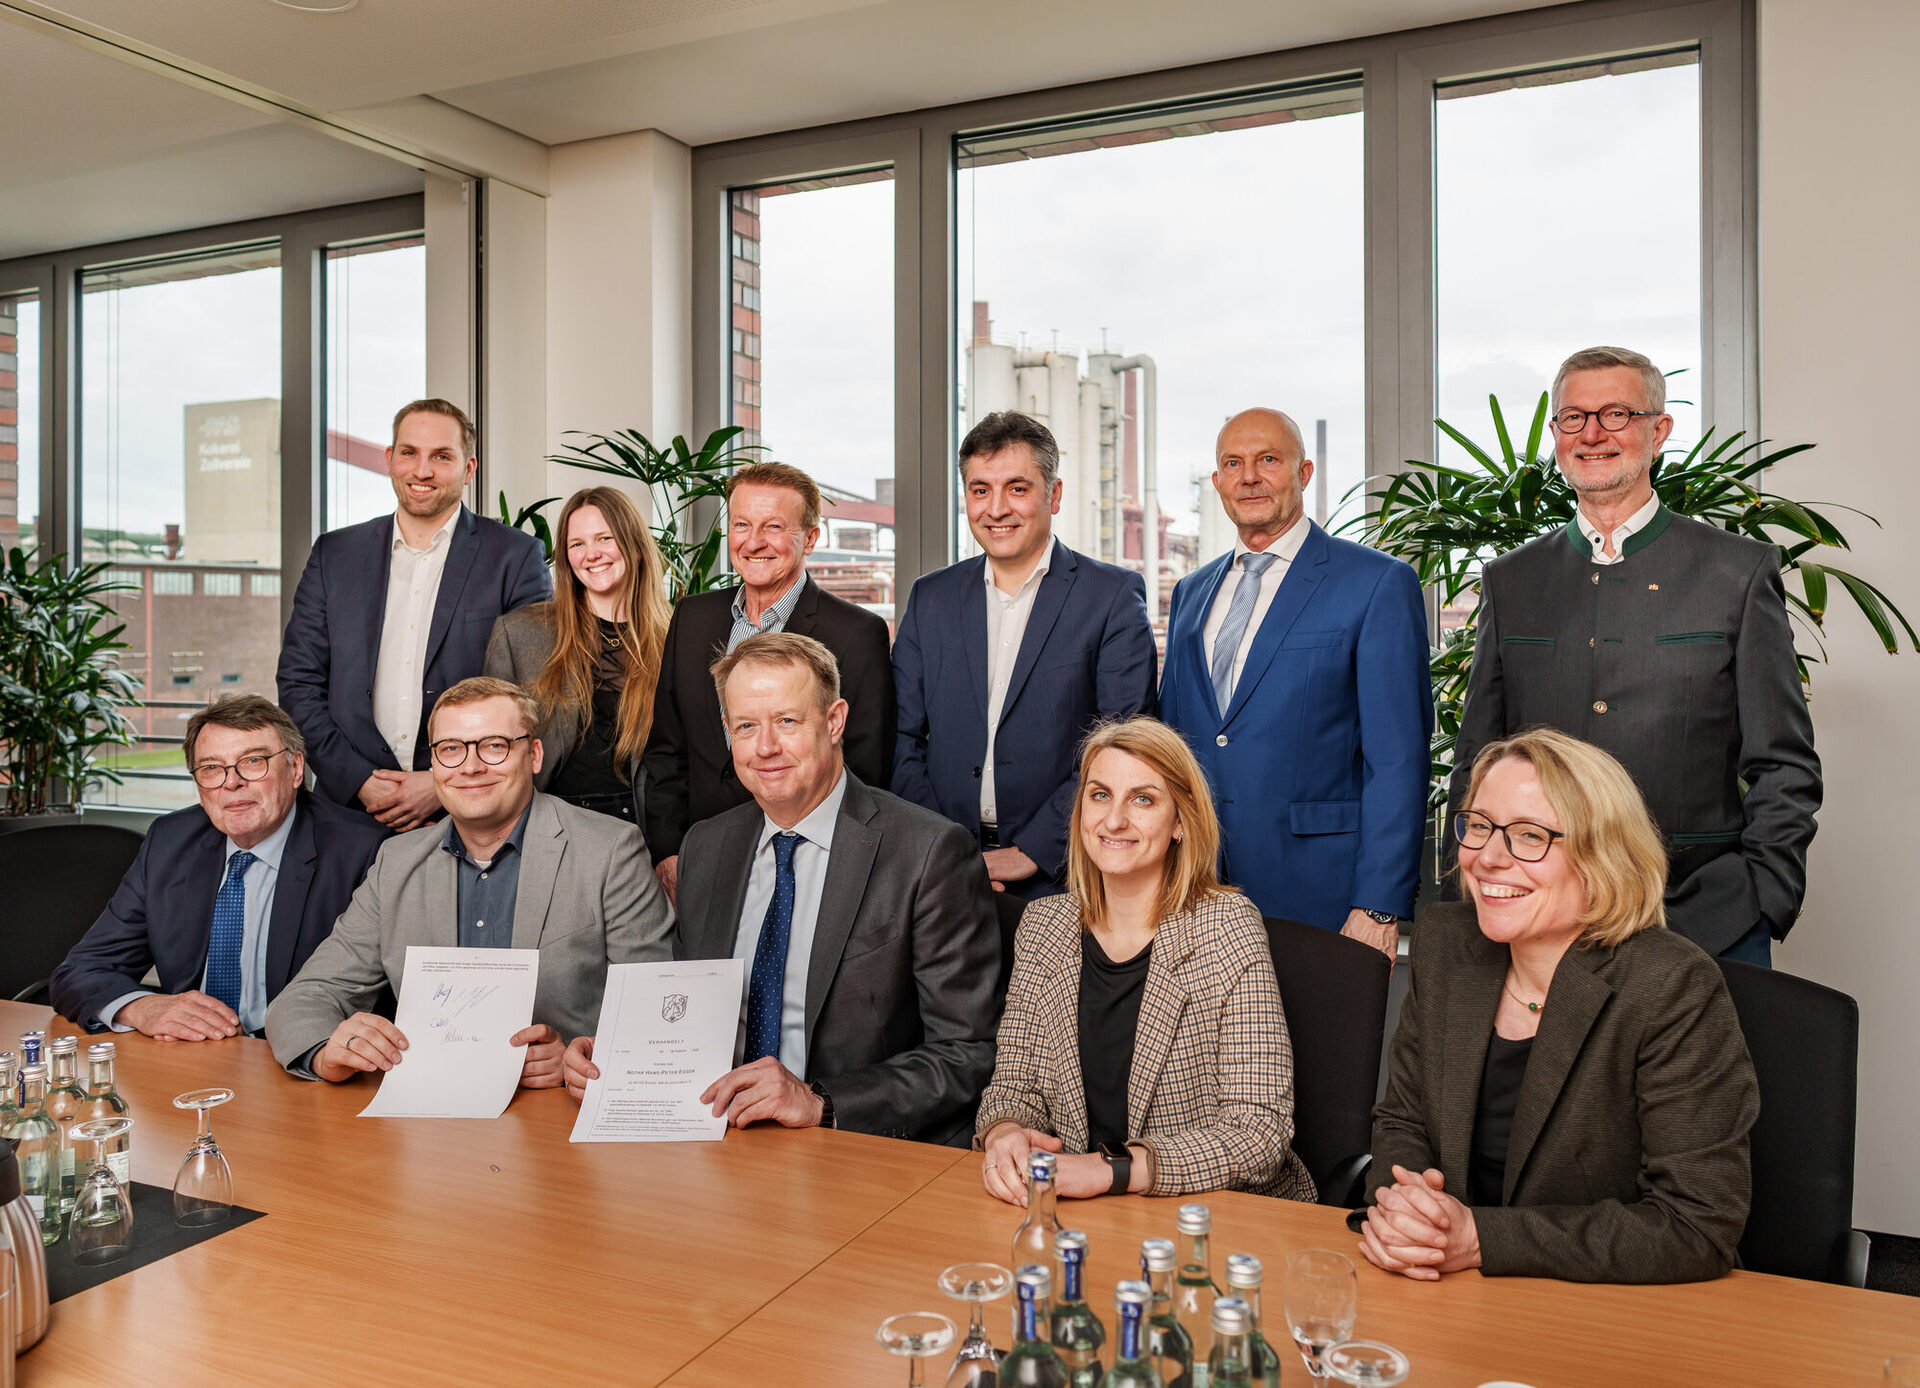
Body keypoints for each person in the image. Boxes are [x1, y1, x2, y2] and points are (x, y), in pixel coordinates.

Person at [1449, 347, 1820, 966]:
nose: (1593, 434)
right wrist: (1468, 903)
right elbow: (1477, 760)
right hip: (1540, 917)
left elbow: (1784, 763)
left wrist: (1763, 895)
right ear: (1556, 434)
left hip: (1705, 919)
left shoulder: (1737, 572)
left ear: (1659, 431)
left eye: (1617, 414)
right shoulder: (1511, 580)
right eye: (1574, 417)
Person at [1362, 728, 1759, 1284]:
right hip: (1442, 1287)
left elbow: (1696, 1225)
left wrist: (1479, 1238)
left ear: (1602, 858)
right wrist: (1412, 1212)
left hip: (1606, 1306)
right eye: (1479, 826)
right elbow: (1403, 1120)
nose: (1488, 858)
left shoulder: (1672, 986)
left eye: (1530, 836)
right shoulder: (1447, 944)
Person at [567, 633, 999, 1144]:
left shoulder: (927, 852)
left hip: (849, 1145)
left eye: (787, 721)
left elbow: (966, 1051)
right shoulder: (706, 847)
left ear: (835, 721)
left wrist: (820, 1102)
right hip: (720, 1134)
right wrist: (617, 1055)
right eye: (746, 726)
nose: (766, 747)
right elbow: (689, 1010)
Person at [265, 677, 674, 1088]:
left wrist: (583, 1055)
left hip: (555, 1111)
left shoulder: (609, 851)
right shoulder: (397, 862)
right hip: (430, 1106)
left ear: (534, 755)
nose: (471, 766)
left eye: (494, 746)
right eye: (451, 749)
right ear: (433, 764)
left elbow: (660, 1010)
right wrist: (327, 1051)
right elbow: (303, 998)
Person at [976, 717, 1316, 1203]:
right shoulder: (1044, 926)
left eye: (1143, 799)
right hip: (1077, 1211)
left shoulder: (1226, 926)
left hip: (1213, 1213)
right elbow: (1014, 1086)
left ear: (1180, 822)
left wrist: (1112, 1169)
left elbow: (1260, 1130)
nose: (1114, 820)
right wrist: (1005, 1131)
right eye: (1100, 795)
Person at [1158, 407, 1431, 954]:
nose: (1249, 477)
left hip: (1320, 892)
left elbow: (1398, 759)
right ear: (1217, 482)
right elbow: (1171, 744)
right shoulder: (1190, 592)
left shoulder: (1376, 582)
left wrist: (1378, 904)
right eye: (1233, 464)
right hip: (1195, 888)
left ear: (1304, 473)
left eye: (1268, 460)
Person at [892, 410, 1157, 898]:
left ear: (1054, 495)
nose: (996, 509)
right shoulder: (931, 597)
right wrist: (944, 849)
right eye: (980, 490)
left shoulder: (1111, 596)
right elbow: (903, 738)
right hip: (942, 869)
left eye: (1017, 488)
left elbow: (1124, 746)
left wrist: (1033, 851)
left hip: (1064, 873)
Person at [278, 398, 551, 833]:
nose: (422, 471)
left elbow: (534, 694)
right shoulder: (335, 555)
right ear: (390, 459)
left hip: (467, 812)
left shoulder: (514, 557)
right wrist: (358, 780)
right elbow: (299, 681)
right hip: (347, 812)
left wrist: (442, 782)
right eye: (409, 453)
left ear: (468, 468)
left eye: (441, 456)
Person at [49, 696, 387, 1039]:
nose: (231, 782)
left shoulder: (364, 851)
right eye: (211, 768)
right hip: (191, 1054)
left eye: (253, 761)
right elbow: (81, 971)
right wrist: (143, 1007)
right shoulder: (170, 842)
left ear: (296, 768)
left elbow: (381, 999)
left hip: (298, 1057)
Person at [641, 462, 894, 903]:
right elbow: (666, 748)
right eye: (741, 524)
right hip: (696, 860)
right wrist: (669, 851)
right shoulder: (692, 618)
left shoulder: (856, 633)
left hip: (801, 864)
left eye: (773, 526)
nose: (753, 542)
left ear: (810, 538)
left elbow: (864, 770)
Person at [484, 487, 670, 826]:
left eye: (604, 538)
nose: (591, 554)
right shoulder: (519, 634)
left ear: (635, 545)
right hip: (552, 823)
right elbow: (494, 747)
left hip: (648, 827)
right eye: (577, 544)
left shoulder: (677, 634)